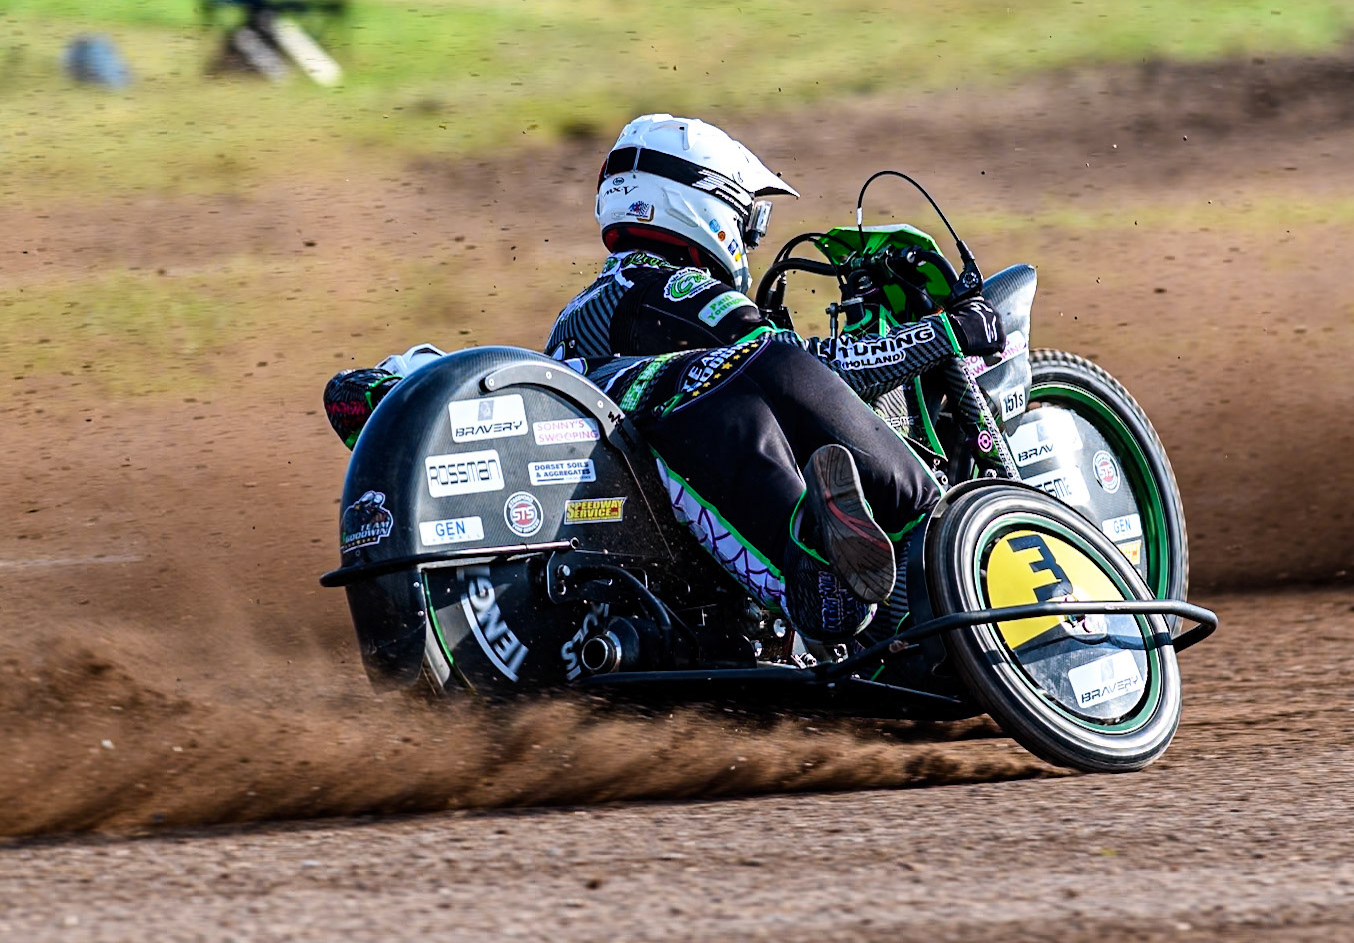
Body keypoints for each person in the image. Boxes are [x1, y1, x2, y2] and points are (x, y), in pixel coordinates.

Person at [325, 115, 1004, 642]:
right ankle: (921, 533)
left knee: (750, 385)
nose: (752, 239)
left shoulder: (584, 313)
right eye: (751, 221)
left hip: (643, 514)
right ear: (707, 204)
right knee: (773, 361)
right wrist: (944, 333)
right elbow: (808, 368)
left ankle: (829, 567)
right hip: (681, 456)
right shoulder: (663, 282)